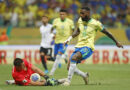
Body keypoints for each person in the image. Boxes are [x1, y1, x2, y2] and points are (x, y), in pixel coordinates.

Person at [62, 7, 123, 85]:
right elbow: (78, 31)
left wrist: (116, 42)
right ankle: (84, 75)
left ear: (88, 13)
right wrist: (69, 39)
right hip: (79, 46)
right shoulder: (80, 20)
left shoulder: (96, 23)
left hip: (88, 47)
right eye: (80, 13)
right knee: (69, 67)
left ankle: (68, 81)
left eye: (83, 13)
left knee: (74, 58)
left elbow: (107, 32)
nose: (81, 15)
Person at [49, 9, 75, 76]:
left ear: (66, 15)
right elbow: (51, 30)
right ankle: (65, 56)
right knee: (55, 57)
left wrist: (69, 38)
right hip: (57, 41)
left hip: (64, 42)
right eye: (60, 14)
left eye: (63, 14)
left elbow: (73, 31)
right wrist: (53, 35)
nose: (62, 15)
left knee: (58, 56)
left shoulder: (70, 22)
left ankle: (52, 71)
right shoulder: (56, 21)